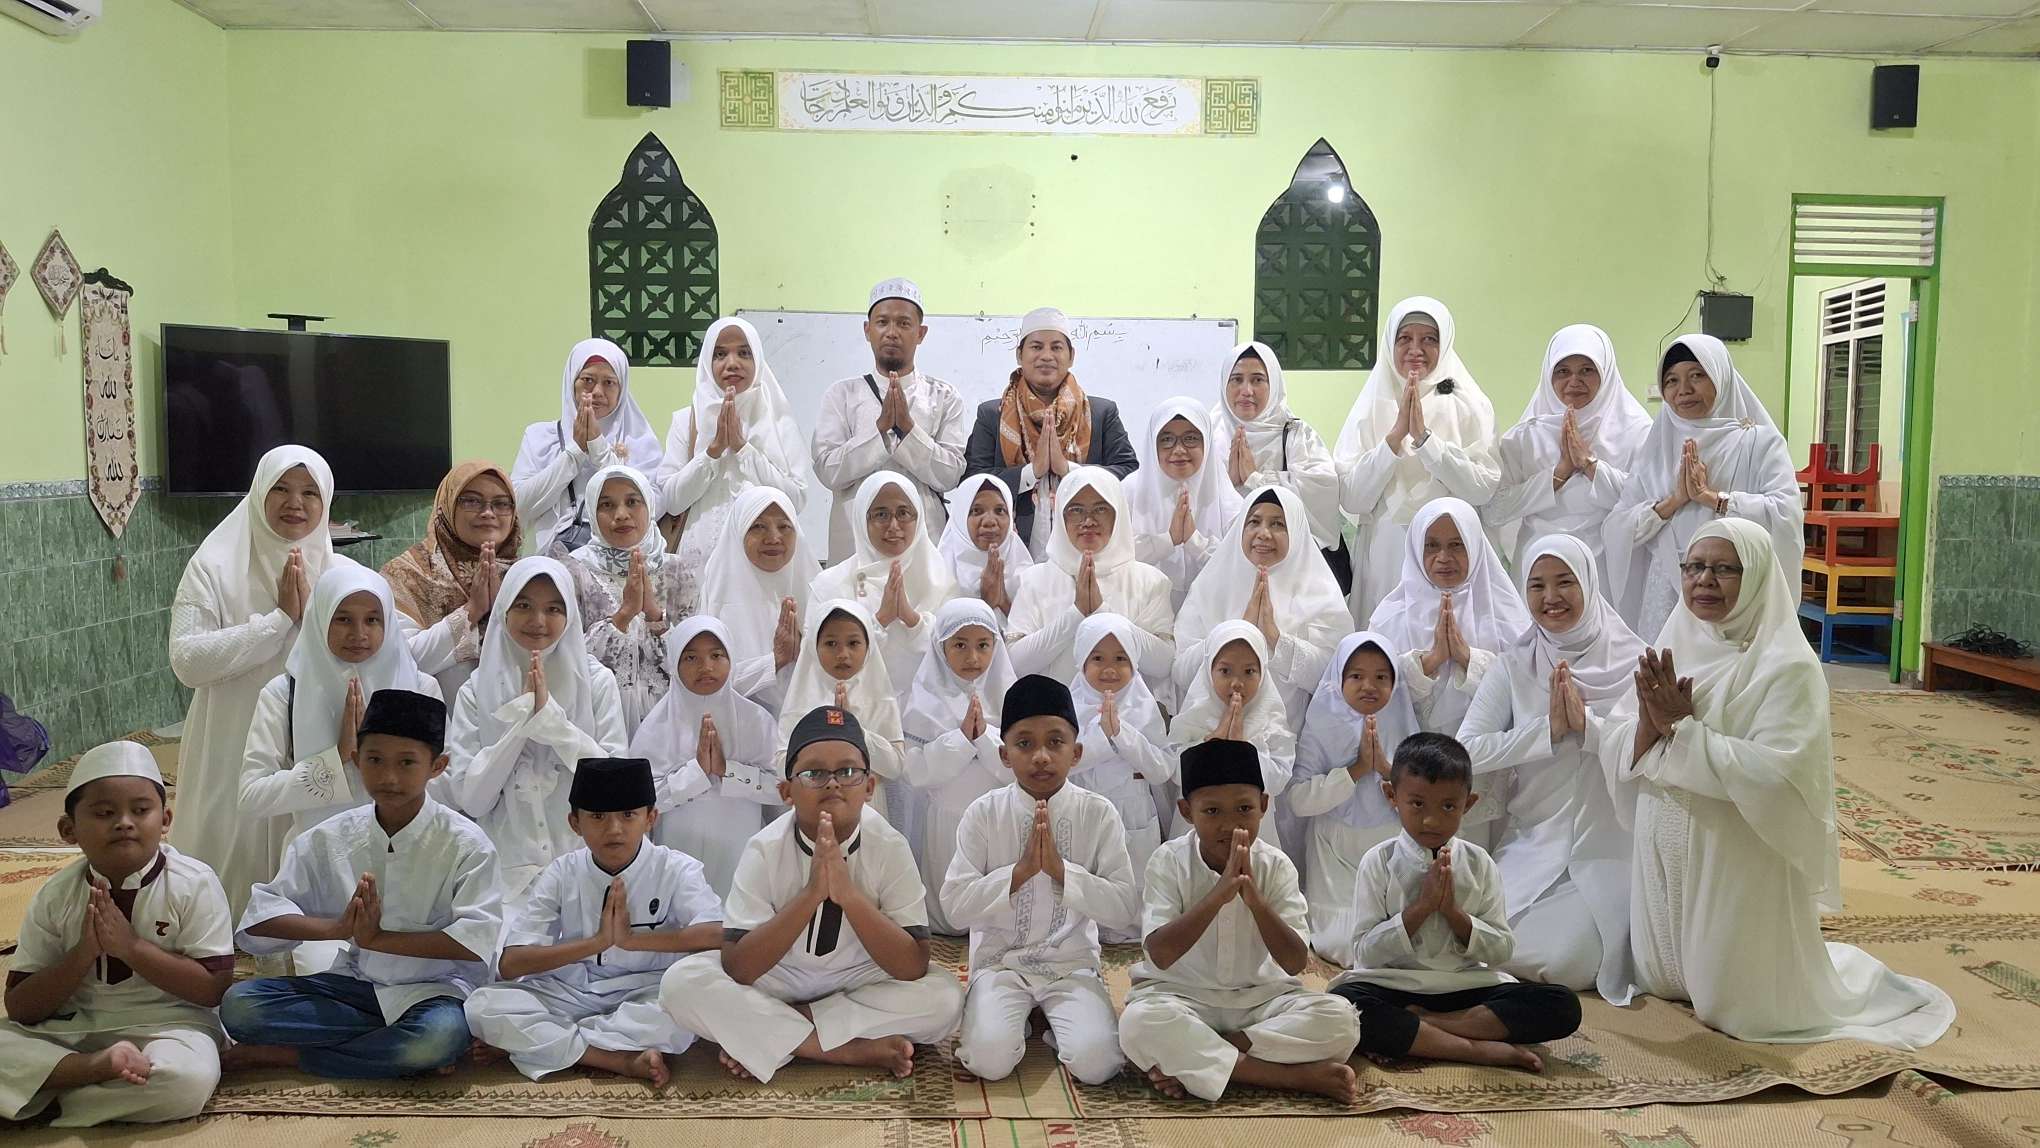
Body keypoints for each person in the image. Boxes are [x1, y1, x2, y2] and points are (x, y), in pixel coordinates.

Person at [1602, 521, 1955, 1048]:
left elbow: (1777, 777)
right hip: (1667, 835)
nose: (1704, 580)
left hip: (1735, 848)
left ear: (1759, 575)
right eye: (1694, 566)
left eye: (1724, 568)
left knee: (1734, 1004)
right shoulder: (1676, 639)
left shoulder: (1788, 667)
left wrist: (1680, 729)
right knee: (1663, 977)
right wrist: (1649, 728)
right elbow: (1619, 734)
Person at [658, 706, 966, 1083]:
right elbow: (739, 966)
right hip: (781, 975)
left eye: (848, 772)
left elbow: (913, 964)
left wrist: (848, 895)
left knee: (946, 998)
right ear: (786, 791)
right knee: (680, 984)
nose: (833, 784)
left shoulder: (890, 846)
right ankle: (843, 1049)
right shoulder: (764, 848)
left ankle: (779, 1034)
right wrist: (810, 895)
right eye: (814, 773)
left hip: (862, 975)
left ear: (870, 787)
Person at [222, 690, 503, 1079]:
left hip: (433, 991)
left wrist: (379, 939)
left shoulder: (467, 844)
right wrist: (337, 929)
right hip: (355, 987)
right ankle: (391, 1050)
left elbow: (475, 942)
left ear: (437, 766)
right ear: (356, 760)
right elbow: (263, 918)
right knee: (239, 1006)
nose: (389, 777)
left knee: (437, 1036)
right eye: (375, 760)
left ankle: (293, 1056)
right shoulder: (332, 836)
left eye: (407, 763)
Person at [0, 743, 233, 1126]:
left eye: (140, 811)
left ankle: (43, 1095)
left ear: (165, 819)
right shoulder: (55, 895)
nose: (124, 823)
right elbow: (22, 1008)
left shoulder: (195, 884)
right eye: (104, 813)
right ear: (68, 830)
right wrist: (83, 954)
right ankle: (94, 1071)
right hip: (74, 1028)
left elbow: (212, 990)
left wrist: (130, 947)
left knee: (187, 1081)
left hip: (171, 1027)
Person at [1117, 739, 1361, 1105]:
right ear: (1187, 811)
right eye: (1212, 811)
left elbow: (1294, 962)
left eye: (1244, 808)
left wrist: (1255, 901)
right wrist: (1219, 894)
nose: (1229, 824)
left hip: (1260, 1003)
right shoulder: (1168, 861)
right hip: (1181, 997)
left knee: (1342, 1021)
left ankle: (1200, 1061)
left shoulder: (1276, 866)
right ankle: (1289, 1077)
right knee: (1138, 1024)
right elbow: (1161, 955)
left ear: (1264, 805)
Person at [170, 444, 350, 923]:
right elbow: (186, 661)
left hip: (314, 731)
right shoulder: (213, 565)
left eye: (310, 492)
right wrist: (278, 621)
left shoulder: (340, 574)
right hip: (234, 727)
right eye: (281, 489)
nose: (296, 503)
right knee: (232, 833)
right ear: (258, 493)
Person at [463, 758, 725, 1085]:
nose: (614, 829)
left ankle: (541, 1043)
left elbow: (716, 934)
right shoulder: (562, 871)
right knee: (482, 1006)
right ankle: (616, 1058)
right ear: (575, 822)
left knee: (684, 1018)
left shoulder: (676, 868)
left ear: (650, 818)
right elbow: (513, 963)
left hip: (647, 991)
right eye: (598, 817)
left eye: (628, 815)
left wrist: (631, 941)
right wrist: (596, 943)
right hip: (571, 991)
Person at [1328, 733, 1580, 1071]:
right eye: (1417, 804)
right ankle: (1474, 1048)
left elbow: (1502, 950)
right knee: (1346, 1006)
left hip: (1466, 986)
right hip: (1394, 985)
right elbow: (1365, 953)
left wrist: (1453, 913)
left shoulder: (1479, 863)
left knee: (1562, 1004)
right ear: (1392, 796)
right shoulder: (1378, 861)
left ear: (1468, 804)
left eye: (1448, 806)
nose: (1431, 820)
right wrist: (1421, 909)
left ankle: (1427, 1029)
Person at [1459, 536, 1641, 999]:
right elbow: (1466, 749)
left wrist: (1589, 729)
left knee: (1566, 962)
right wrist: (1547, 733)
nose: (1551, 597)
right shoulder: (1514, 664)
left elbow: (1649, 751)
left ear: (1589, 584)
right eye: (1537, 585)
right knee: (1469, 938)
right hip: (1533, 838)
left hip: (1607, 847)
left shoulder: (1636, 662)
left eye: (1565, 582)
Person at [943, 674, 1139, 1085]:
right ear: (1004, 754)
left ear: (1076, 752)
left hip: (1071, 964)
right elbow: (954, 908)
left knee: (1100, 1065)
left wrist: (1062, 872)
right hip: (1000, 964)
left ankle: (1050, 1024)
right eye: (1025, 744)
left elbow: (1123, 909)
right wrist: (1018, 874)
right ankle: (1019, 1019)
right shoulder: (984, 813)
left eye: (1055, 742)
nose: (1041, 757)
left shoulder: (1097, 813)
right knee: (987, 1061)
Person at [448, 557, 629, 898]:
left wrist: (552, 723)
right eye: (524, 605)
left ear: (570, 615)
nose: (538, 621)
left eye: (553, 608)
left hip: (587, 873)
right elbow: (472, 800)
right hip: (506, 884)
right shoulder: (475, 690)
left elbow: (617, 788)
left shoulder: (597, 682)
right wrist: (522, 724)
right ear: (504, 609)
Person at [1603, 334, 1801, 641]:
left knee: (1730, 663)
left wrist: (1713, 499)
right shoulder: (1656, 448)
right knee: (1668, 664)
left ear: (1720, 377)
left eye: (1697, 375)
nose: (1684, 390)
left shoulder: (1759, 442)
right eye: (1671, 380)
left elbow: (1785, 512)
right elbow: (1616, 525)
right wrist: (1673, 502)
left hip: (1734, 583)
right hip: (1667, 588)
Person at [240, 566, 442, 864]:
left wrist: (388, 760)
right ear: (321, 618)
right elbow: (251, 796)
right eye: (343, 619)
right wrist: (336, 759)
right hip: (316, 859)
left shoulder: (421, 689)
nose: (359, 634)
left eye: (372, 620)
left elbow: (447, 785)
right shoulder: (284, 693)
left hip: (407, 857)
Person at [1335, 298, 1501, 622]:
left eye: (1429, 339)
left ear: (1445, 343)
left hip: (1450, 551)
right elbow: (1352, 497)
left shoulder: (1470, 405)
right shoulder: (1371, 406)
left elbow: (1483, 488)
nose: (1416, 349)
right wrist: (1394, 438)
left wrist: (1426, 442)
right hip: (1386, 552)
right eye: (1405, 339)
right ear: (1390, 344)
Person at [655, 316, 814, 609]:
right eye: (720, 354)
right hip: (699, 565)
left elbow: (796, 499)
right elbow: (672, 501)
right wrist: (713, 451)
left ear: (758, 359)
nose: (732, 363)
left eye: (744, 353)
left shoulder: (779, 421)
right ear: (707, 361)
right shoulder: (686, 421)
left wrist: (742, 449)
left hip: (765, 565)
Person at [810, 278, 971, 562]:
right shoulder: (842, 394)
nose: (892, 333)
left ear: (921, 333)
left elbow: (951, 475)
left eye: (904, 323)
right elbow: (827, 471)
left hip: (924, 542)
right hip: (855, 545)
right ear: (867, 330)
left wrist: (909, 430)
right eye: (882, 322)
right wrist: (879, 433)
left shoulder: (944, 397)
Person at [1288, 631, 1419, 964]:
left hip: (1392, 844)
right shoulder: (1322, 722)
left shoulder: (1403, 720)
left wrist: (1386, 769)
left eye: (1381, 677)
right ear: (1339, 678)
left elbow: (1424, 801)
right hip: (1333, 847)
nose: (1368, 686)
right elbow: (1299, 800)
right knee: (1345, 943)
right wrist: (1357, 769)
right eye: (1357, 676)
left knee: (1407, 940)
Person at [1174, 485, 1349, 735]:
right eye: (1254, 522)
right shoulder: (1212, 585)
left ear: (1296, 531)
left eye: (1278, 524)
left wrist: (1276, 639)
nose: (1264, 533)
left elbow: (1333, 678)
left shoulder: (1321, 594)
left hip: (1283, 741)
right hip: (1207, 737)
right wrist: (1235, 632)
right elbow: (1181, 672)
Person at [629, 617, 784, 897]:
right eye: (691, 658)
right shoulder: (655, 727)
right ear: (675, 663)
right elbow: (638, 803)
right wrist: (696, 773)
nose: (706, 667)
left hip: (740, 848)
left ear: (730, 658)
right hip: (677, 849)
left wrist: (728, 771)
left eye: (716, 655)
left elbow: (783, 790)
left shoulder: (756, 721)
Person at [963, 307, 1138, 556]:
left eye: (1056, 347)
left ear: (1071, 356)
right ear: (1019, 355)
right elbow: (972, 481)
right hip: (1012, 552)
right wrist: (1030, 472)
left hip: (1087, 548)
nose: (1046, 356)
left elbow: (1129, 474)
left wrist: (1069, 470)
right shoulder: (992, 415)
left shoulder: (1101, 413)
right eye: (1036, 347)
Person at [1368, 497, 1530, 756]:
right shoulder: (1389, 617)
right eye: (1431, 546)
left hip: (1487, 761)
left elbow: (1525, 691)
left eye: (1456, 545)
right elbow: (1372, 694)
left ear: (1475, 546)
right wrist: (1430, 662)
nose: (1443, 558)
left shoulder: (1507, 615)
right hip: (1411, 761)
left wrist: (1468, 658)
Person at [1485, 325, 1651, 576]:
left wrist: (1590, 465)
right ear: (1548, 375)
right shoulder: (1524, 437)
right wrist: (1558, 474)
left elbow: (1648, 504)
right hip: (1538, 564)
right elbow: (1494, 510)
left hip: (1609, 564)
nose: (1574, 381)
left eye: (1587, 370)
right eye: (1563, 371)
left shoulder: (1637, 432)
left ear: (1605, 373)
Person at [899, 599, 1018, 936]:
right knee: (949, 897)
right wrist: (962, 739)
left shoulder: (1010, 696)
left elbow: (1018, 768)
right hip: (946, 816)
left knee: (993, 899)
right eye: (960, 646)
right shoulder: (922, 700)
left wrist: (984, 737)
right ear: (941, 648)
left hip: (997, 815)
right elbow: (914, 771)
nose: (973, 657)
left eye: (983, 645)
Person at [1006, 466, 1175, 688]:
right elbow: (1016, 663)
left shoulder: (1150, 581)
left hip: (1127, 709)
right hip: (1052, 710)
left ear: (1118, 513)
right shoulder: (1034, 580)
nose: (1088, 521)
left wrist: (1101, 612)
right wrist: (1075, 615)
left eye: (1100, 509)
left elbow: (1164, 664)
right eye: (1076, 510)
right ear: (1061, 516)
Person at [561, 464, 694, 733]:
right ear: (592, 513)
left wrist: (654, 615)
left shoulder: (676, 570)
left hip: (668, 718)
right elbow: (566, 661)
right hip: (600, 716)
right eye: (607, 505)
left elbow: (693, 660)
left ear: (649, 506)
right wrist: (624, 615)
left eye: (632, 502)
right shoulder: (574, 571)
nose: (621, 515)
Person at [1068, 614, 1174, 938]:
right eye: (1098, 658)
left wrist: (1121, 733)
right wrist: (1103, 737)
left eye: (1120, 659)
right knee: (1089, 873)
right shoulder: (1069, 706)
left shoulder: (1144, 707)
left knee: (1133, 874)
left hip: (1133, 809)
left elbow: (1161, 769)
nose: (1110, 669)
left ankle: (1131, 929)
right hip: (1085, 807)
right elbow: (1065, 762)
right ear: (1082, 660)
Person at [382, 460, 520, 701]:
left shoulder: (524, 576)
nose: (488, 513)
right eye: (472, 501)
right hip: (434, 716)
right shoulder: (406, 573)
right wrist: (471, 611)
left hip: (510, 715)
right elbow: (398, 661)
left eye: (501, 503)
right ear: (447, 506)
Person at [512, 339, 664, 556]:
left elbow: (655, 507)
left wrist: (598, 448)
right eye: (588, 380)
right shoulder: (540, 437)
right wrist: (575, 453)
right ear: (572, 382)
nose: (598, 391)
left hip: (625, 560)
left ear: (622, 390)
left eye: (609, 382)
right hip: (555, 560)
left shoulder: (639, 441)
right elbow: (518, 507)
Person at [813, 471, 961, 690]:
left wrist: (913, 621)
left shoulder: (942, 579)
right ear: (862, 518)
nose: (893, 525)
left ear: (919, 517)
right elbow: (819, 665)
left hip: (929, 706)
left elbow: (960, 654)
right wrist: (881, 620)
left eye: (904, 513)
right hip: (856, 703)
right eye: (881, 514)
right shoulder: (830, 585)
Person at [1167, 622, 1297, 860]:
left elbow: (1279, 778)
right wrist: (1214, 743)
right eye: (1225, 671)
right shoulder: (1193, 716)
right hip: (1198, 827)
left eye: (1249, 671)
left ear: (1262, 672)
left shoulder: (1272, 719)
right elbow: (1174, 770)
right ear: (1209, 670)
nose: (1237, 682)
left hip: (1255, 828)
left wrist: (1242, 749)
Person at [1211, 341, 1342, 558]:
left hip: (1287, 559)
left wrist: (1257, 480)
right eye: (1236, 379)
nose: (1246, 391)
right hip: (1224, 557)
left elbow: (1323, 490)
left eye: (1257, 380)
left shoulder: (1296, 433)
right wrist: (1228, 484)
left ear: (1274, 384)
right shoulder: (1208, 434)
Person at [697, 487, 818, 710]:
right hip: (736, 722)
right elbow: (702, 681)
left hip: (810, 722)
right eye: (758, 526)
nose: (773, 538)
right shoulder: (718, 591)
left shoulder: (818, 591)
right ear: (739, 531)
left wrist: (810, 653)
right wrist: (774, 661)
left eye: (784, 526)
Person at [1123, 398, 1243, 609]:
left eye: (1190, 439)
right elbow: (1114, 562)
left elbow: (1240, 571)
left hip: (1211, 614)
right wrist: (1167, 541)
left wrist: (1195, 542)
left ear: (1207, 442)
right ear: (1153, 444)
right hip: (1142, 613)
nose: (1178, 449)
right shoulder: (1128, 492)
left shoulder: (1227, 500)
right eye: (1167, 439)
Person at [774, 601, 907, 788]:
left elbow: (895, 767)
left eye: (853, 643)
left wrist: (855, 730)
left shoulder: (879, 696)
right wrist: (825, 733)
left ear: (868, 646)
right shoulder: (801, 697)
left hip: (868, 801)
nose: (843, 654)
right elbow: (782, 767)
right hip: (813, 798)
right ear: (814, 647)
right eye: (831, 643)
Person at [937, 473, 1034, 620]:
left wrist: (1003, 601)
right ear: (960, 518)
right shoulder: (938, 576)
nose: (990, 521)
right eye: (977, 511)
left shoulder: (1028, 576)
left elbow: (1036, 630)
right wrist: (986, 603)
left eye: (1000, 511)